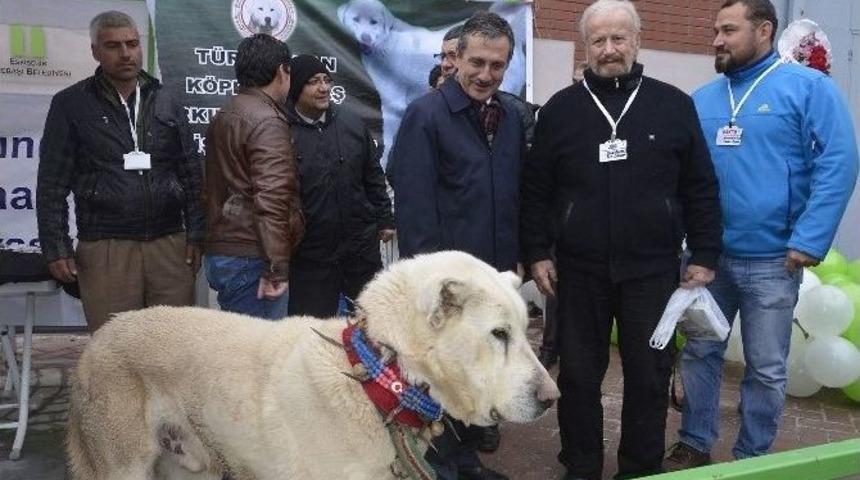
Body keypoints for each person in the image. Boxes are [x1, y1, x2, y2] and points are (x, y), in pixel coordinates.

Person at [520, 1, 723, 478]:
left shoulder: (674, 104)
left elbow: (700, 185)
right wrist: (536, 253)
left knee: (650, 378)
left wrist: (706, 253)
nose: (609, 49)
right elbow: (536, 191)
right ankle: (582, 463)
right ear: (585, 46)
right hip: (578, 270)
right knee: (579, 375)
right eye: (598, 40)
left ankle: (639, 466)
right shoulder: (559, 111)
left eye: (618, 39)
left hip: (652, 271)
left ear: (637, 39)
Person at [665, 0, 859, 470]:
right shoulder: (704, 99)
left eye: (728, 30)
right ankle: (694, 441)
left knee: (767, 369)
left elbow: (839, 160)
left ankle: (751, 456)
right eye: (715, 30)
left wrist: (809, 240)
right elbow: (682, 175)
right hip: (707, 260)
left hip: (774, 261)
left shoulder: (808, 88)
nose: (717, 39)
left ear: (765, 30)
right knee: (700, 354)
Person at [390, 11, 522, 480]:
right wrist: (434, 289)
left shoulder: (508, 115)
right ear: (456, 59)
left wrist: (513, 264)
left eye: (498, 65)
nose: (487, 75)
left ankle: (464, 464)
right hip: (448, 293)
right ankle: (443, 468)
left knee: (480, 377)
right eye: (478, 62)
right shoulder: (426, 116)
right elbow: (413, 205)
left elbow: (510, 193)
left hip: (493, 283)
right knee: (444, 381)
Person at [37, 10, 204, 332]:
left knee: (173, 345)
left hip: (169, 245)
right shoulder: (71, 104)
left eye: (132, 44)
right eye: (113, 46)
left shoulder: (166, 99)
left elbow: (191, 173)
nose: (126, 54)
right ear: (95, 51)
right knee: (114, 348)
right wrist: (56, 248)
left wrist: (196, 234)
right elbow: (51, 185)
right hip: (105, 247)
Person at [284, 54, 394, 317]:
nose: (323, 88)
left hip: (360, 249)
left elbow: (373, 175)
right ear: (297, 88)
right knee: (312, 331)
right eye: (313, 82)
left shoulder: (352, 123)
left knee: (370, 323)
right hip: (311, 256)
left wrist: (385, 219)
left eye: (326, 80)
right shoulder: (282, 132)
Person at [203, 34, 304, 320]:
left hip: (229, 251)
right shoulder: (267, 120)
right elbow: (271, 198)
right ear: (282, 71)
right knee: (260, 359)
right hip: (253, 256)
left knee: (242, 352)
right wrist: (276, 267)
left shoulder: (226, 112)